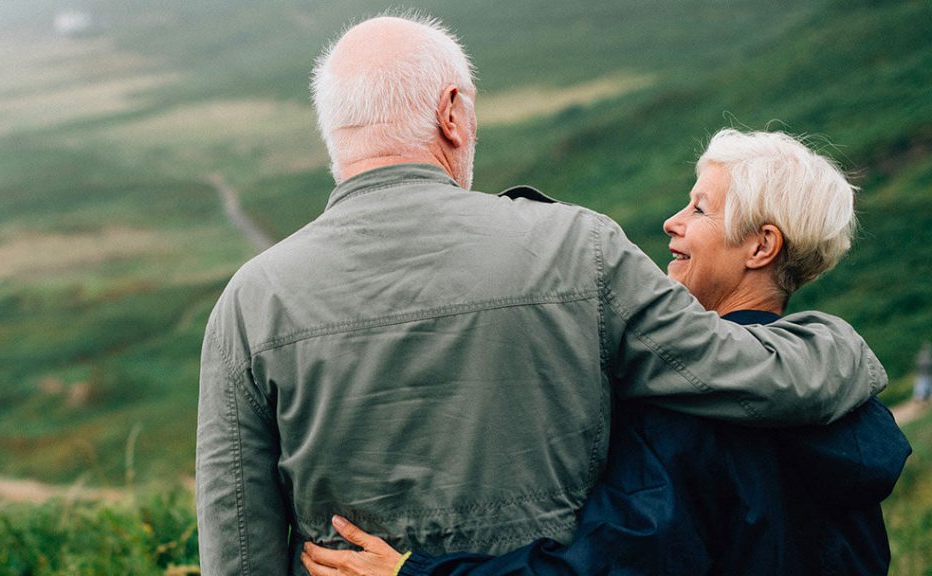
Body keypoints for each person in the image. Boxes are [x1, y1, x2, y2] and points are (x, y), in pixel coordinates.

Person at [195, 15, 886, 575]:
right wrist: (842, 346)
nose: (677, 223)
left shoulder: (250, 301)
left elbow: (239, 543)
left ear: (334, 133)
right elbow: (741, 371)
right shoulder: (577, 249)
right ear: (453, 114)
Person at [300, 129, 912, 576]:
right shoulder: (850, 405)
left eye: (700, 208)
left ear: (761, 247)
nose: (673, 222)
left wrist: (413, 574)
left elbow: (603, 569)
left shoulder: (687, 407)